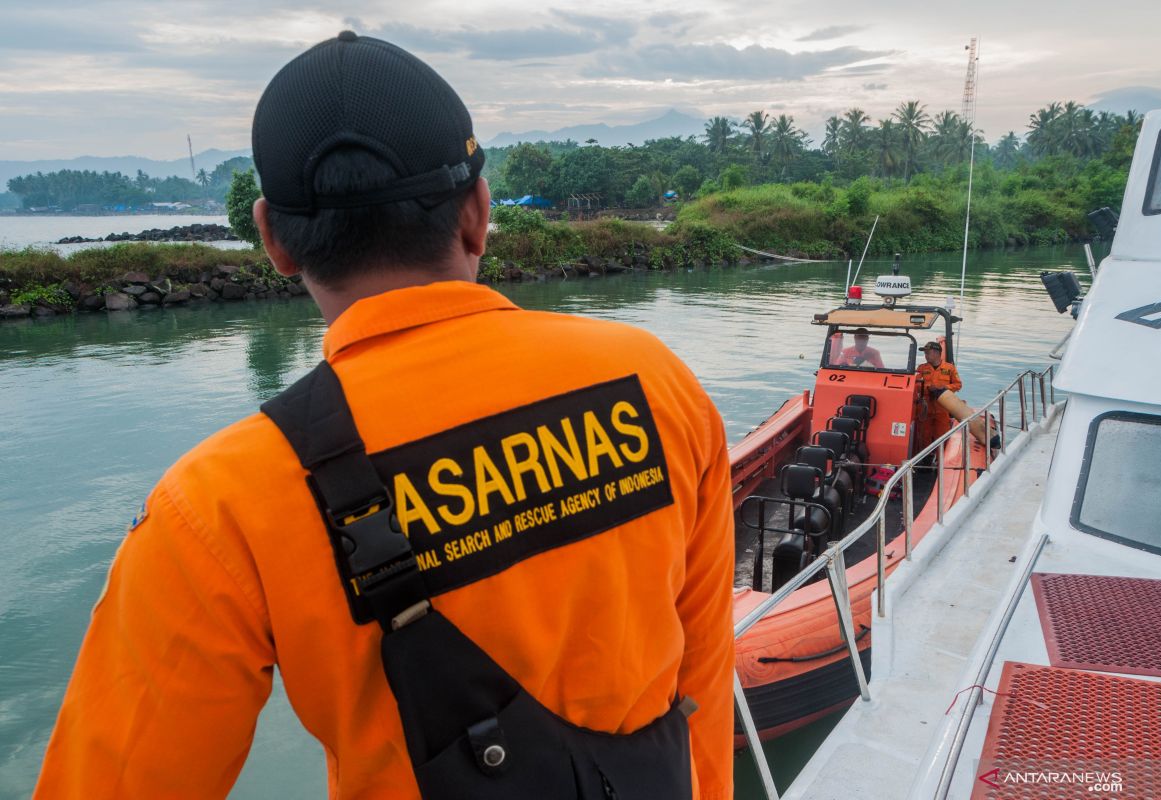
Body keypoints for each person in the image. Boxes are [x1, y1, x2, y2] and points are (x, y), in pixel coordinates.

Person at [35, 32, 734, 800]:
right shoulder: (653, 382)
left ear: (272, 240)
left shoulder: (219, 505)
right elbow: (702, 672)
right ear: (478, 212)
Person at [915, 340, 963, 448]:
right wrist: (927, 388)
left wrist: (944, 388)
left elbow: (958, 385)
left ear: (936, 353)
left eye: (928, 352)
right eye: (925, 353)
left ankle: (940, 458)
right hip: (925, 408)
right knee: (924, 435)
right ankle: (926, 458)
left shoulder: (949, 368)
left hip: (942, 408)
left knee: (942, 436)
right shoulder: (921, 368)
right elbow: (916, 385)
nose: (926, 355)